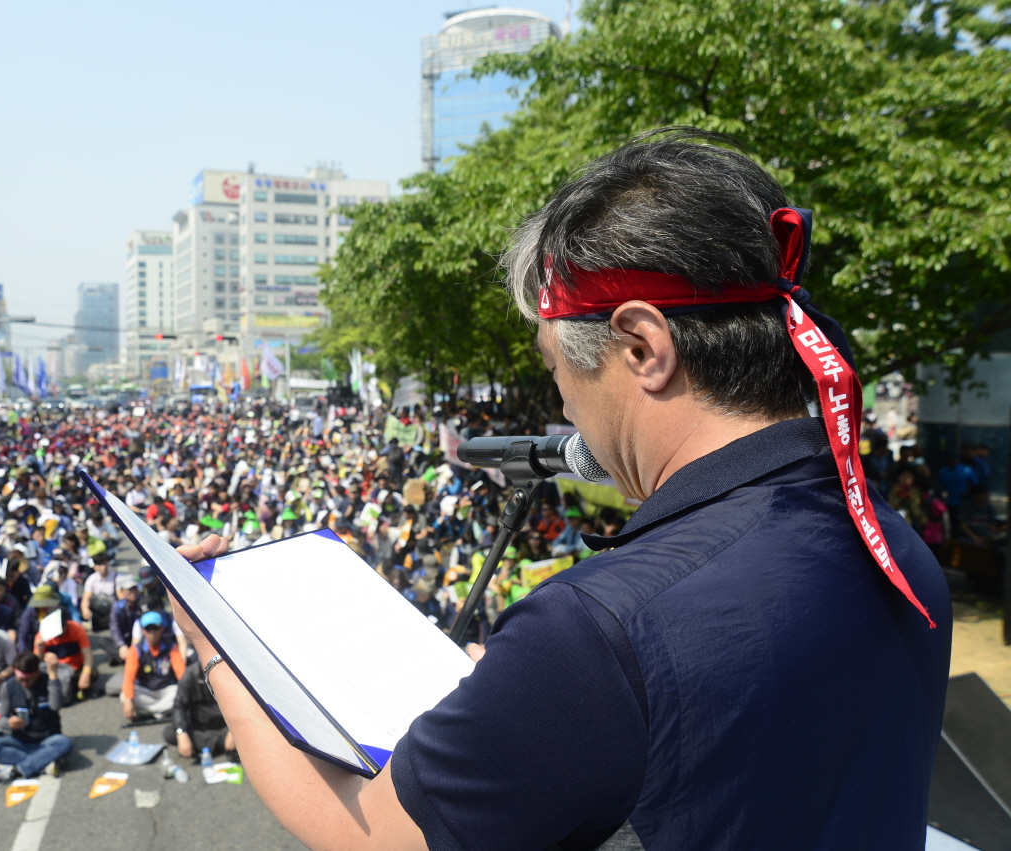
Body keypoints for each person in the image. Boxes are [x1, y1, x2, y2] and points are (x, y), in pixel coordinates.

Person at [166, 133, 952, 849]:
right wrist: (531, 702)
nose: (563, 407)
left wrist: (217, 647)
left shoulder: (599, 630)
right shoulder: (893, 544)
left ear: (644, 346)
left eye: (556, 367)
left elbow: (370, 835)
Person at [0, 651, 74, 780]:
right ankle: (43, 762)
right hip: (21, 740)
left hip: (48, 738)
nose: (25, 683)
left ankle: (20, 768)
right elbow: (1, 718)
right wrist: (9, 723)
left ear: (36, 672)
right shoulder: (8, 686)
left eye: (28, 680)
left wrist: (53, 675)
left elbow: (56, 706)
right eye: (21, 680)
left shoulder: (49, 681)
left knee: (65, 743)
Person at [27, 585, 94, 701]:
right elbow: (37, 661)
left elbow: (88, 655)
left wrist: (86, 674)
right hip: (53, 667)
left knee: (92, 674)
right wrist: (38, 649)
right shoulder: (42, 634)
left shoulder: (77, 629)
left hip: (74, 668)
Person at [164, 655, 233, 759]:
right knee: (170, 733)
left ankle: (214, 746)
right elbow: (179, 706)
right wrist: (181, 732)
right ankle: (222, 745)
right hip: (200, 727)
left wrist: (233, 731)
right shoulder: (190, 674)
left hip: (225, 726)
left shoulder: (229, 675)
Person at [119, 611, 184, 722]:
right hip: (145, 691)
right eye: (149, 629)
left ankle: (151, 712)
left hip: (166, 690)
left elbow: (181, 673)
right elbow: (129, 678)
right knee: (124, 696)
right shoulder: (135, 650)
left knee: (180, 692)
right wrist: (129, 702)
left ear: (162, 629)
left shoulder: (171, 647)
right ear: (143, 631)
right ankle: (163, 712)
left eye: (156, 628)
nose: (152, 632)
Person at [80, 550, 118, 631]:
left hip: (112, 608)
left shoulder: (116, 577)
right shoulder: (91, 579)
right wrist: (85, 609)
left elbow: (121, 597)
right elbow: (86, 598)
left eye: (105, 563)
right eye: (100, 564)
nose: (103, 567)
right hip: (99, 608)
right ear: (95, 566)